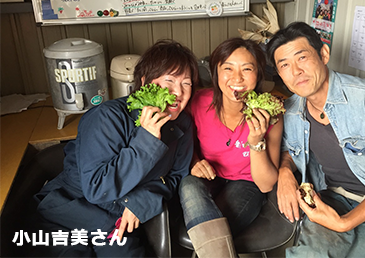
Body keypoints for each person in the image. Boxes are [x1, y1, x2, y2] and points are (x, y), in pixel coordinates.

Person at [33, 40, 197, 256]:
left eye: (186, 83)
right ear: (145, 82)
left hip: (119, 217)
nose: (178, 92)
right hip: (70, 209)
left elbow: (176, 175)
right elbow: (96, 187)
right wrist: (147, 139)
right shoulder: (108, 117)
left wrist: (142, 200)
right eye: (169, 81)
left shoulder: (183, 125)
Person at [266, 22, 365, 257]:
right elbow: (288, 149)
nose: (296, 71)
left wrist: (344, 223)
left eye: (302, 58)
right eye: (284, 65)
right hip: (330, 198)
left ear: (324, 54)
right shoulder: (292, 109)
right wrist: (285, 172)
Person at [179, 38, 284, 257]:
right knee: (189, 184)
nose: (237, 78)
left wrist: (256, 141)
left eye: (247, 69)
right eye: (228, 68)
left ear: (258, 75)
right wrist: (194, 160)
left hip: (247, 183)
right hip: (210, 177)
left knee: (213, 235)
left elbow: (265, 185)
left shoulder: (270, 113)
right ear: (216, 73)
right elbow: (181, 141)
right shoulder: (199, 102)